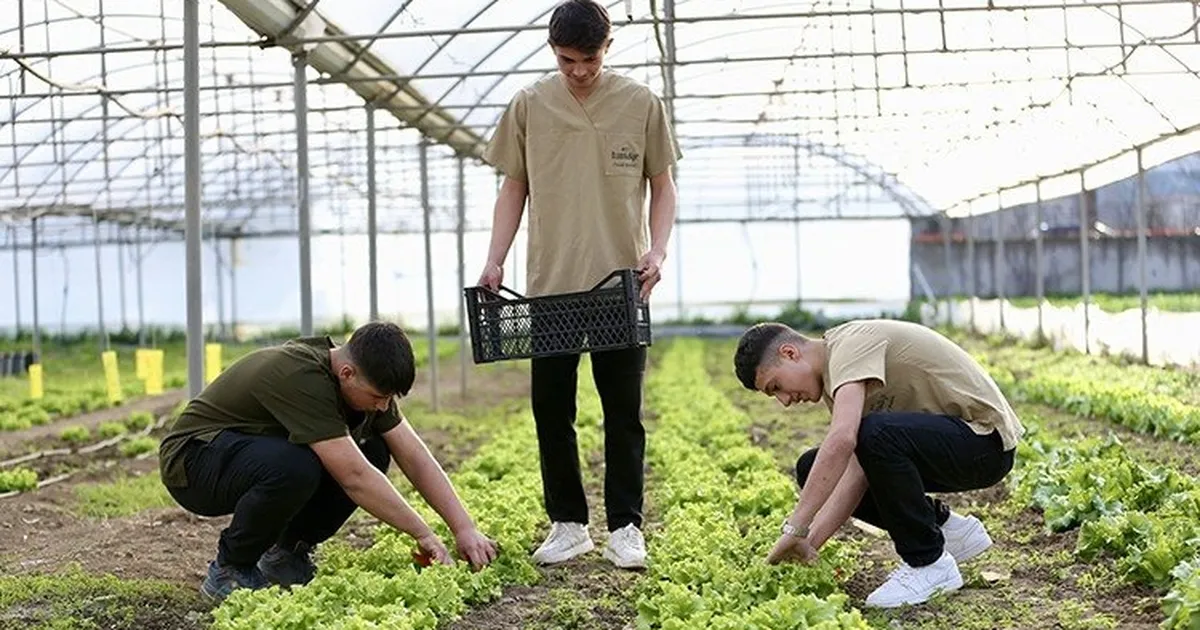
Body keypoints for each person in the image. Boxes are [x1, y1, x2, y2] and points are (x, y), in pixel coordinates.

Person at [475, 0, 680, 570]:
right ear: (552, 51)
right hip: (550, 285)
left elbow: (663, 186)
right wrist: (495, 260)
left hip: (621, 283)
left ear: (606, 49)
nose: (579, 71)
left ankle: (626, 528)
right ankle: (568, 524)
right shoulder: (529, 106)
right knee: (552, 409)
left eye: (588, 59)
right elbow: (512, 189)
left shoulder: (640, 103)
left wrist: (657, 249)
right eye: (567, 60)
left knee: (624, 412)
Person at [158, 322, 499, 602]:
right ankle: (230, 568)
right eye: (379, 398)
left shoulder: (363, 380)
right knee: (296, 466)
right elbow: (353, 477)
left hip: (246, 455)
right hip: (193, 463)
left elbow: (414, 454)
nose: (383, 407)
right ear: (347, 373)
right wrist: (423, 534)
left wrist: (463, 527)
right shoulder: (302, 377)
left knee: (374, 449)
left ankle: (287, 553)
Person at [732, 318, 1024, 608]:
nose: (783, 401)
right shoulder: (839, 376)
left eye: (776, 386)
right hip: (953, 444)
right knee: (813, 466)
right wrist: (807, 546)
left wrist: (796, 527)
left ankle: (929, 564)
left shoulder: (849, 345)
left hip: (985, 442)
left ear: (790, 353)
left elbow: (844, 439)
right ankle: (949, 531)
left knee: (873, 434)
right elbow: (858, 473)